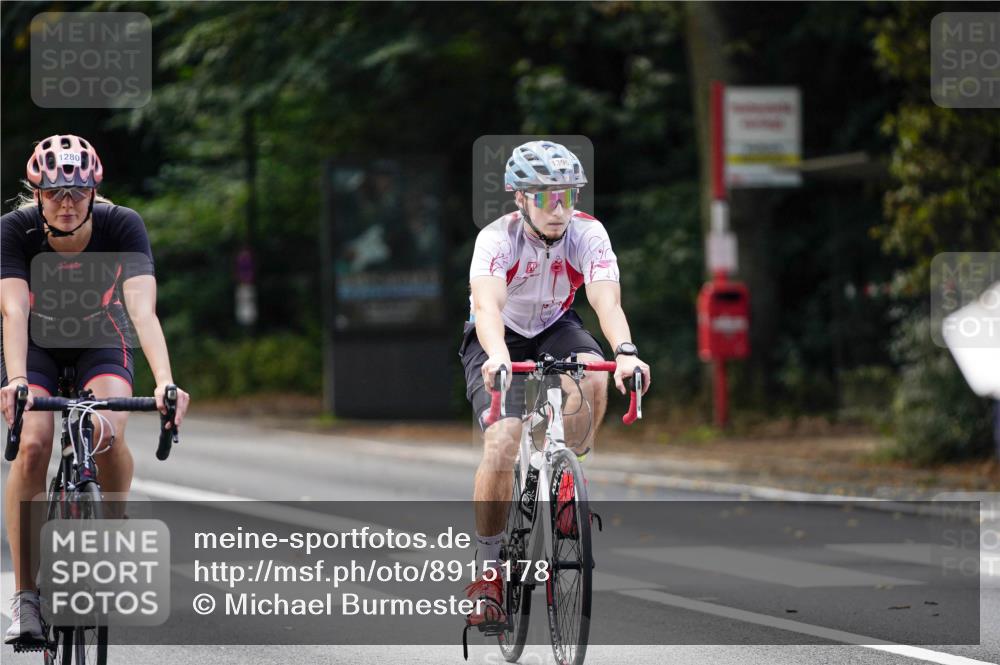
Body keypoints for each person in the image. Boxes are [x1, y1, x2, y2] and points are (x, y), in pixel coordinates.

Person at [1, 134, 190, 644]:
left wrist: (166, 382)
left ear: (93, 191)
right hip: (36, 342)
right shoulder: (15, 230)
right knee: (35, 445)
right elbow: (14, 310)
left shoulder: (121, 225)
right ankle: (25, 597)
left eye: (77, 192)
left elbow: (141, 310)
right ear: (36, 193)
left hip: (100, 335)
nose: (67, 204)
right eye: (55, 193)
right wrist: (17, 380)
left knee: (105, 429)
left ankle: (112, 523)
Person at [459, 140, 650, 624]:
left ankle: (567, 478)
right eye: (545, 196)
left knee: (595, 381)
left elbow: (607, 302)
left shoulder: (588, 234)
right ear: (519, 198)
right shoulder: (496, 239)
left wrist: (626, 352)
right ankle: (488, 573)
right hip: (498, 335)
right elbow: (487, 308)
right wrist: (498, 357)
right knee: (502, 439)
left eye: (567, 194)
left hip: (555, 324)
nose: (559, 208)